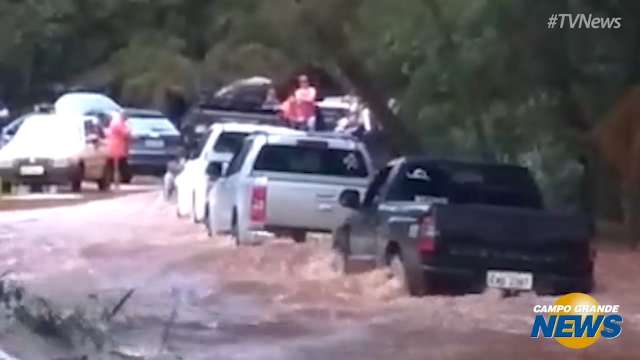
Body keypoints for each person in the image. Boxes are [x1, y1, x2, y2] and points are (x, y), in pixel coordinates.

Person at [106, 111, 131, 188]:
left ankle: (114, 183)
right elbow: (126, 133)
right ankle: (116, 184)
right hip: (117, 146)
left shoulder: (115, 123)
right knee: (116, 166)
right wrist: (129, 128)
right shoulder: (119, 124)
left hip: (113, 145)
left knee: (114, 166)